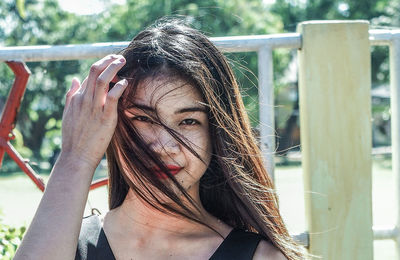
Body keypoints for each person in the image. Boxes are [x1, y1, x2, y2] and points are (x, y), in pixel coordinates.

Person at [14, 19, 305, 260]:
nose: (163, 145)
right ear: (110, 126)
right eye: (143, 119)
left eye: (188, 121)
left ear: (216, 135)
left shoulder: (260, 256)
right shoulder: (63, 245)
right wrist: (75, 157)